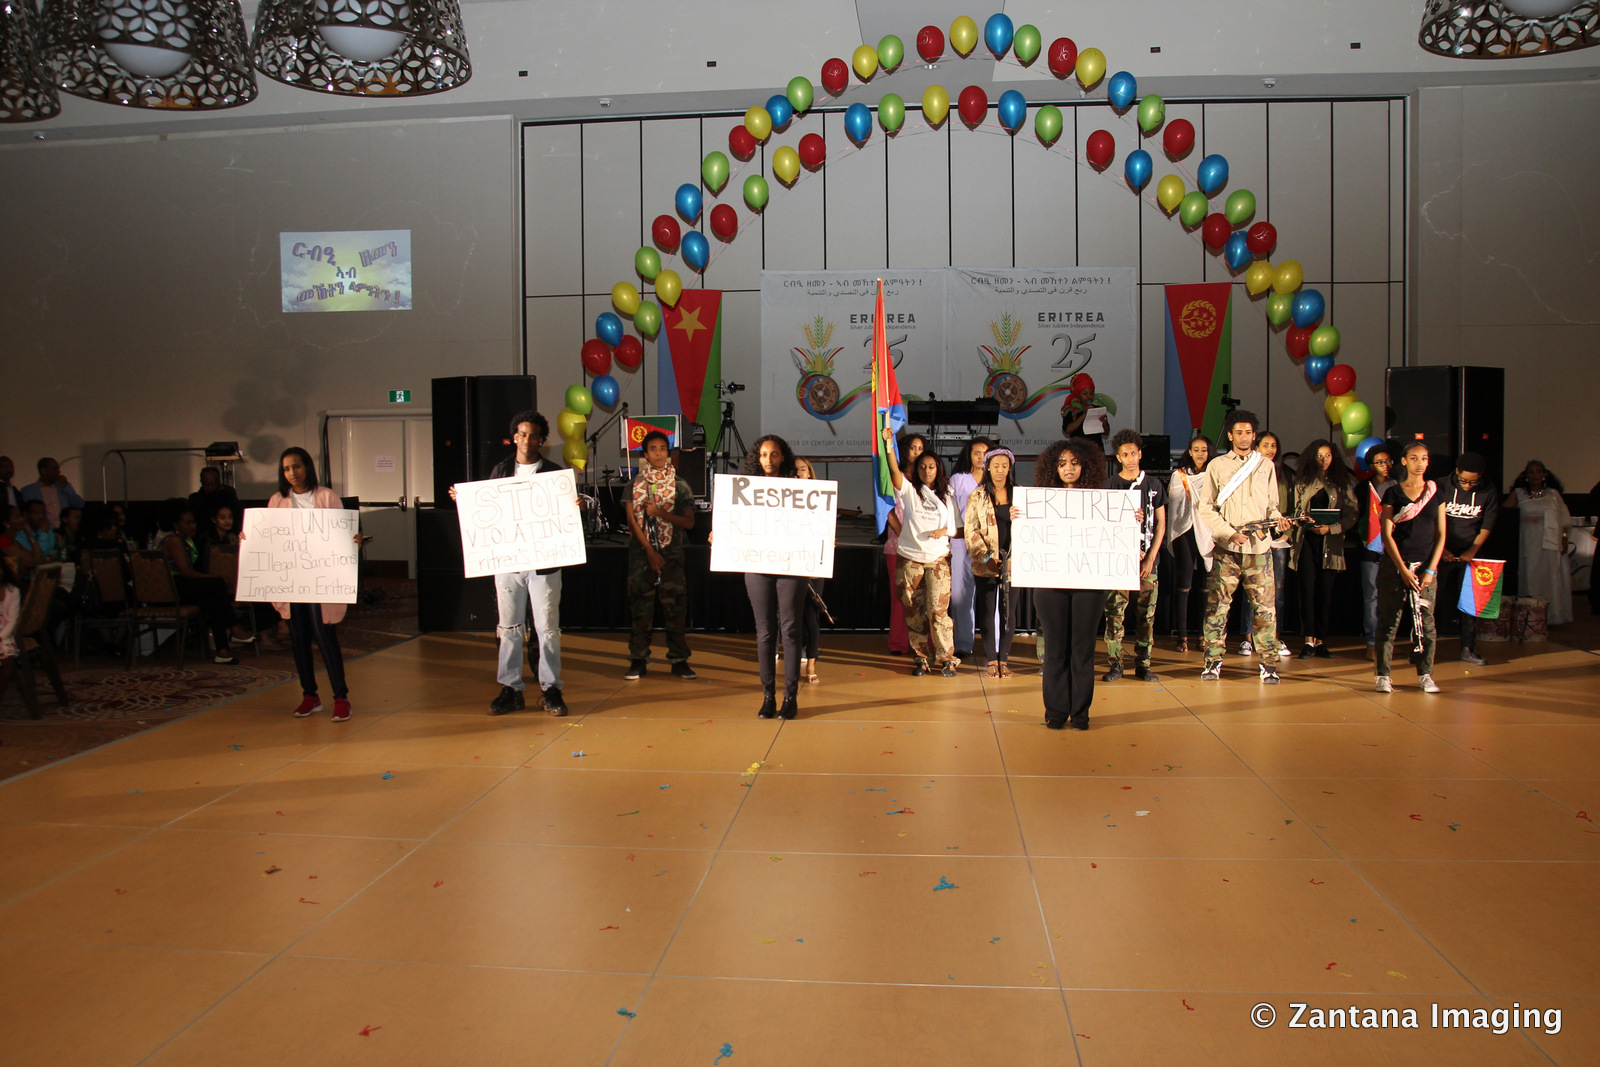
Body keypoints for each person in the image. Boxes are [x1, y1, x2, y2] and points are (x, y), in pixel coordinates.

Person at [451, 411, 577, 714]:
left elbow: (565, 516)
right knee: (508, 628)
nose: (526, 440)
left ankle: (550, 689)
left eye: (533, 435)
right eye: (521, 434)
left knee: (547, 629)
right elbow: (486, 510)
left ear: (542, 440)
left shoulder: (554, 474)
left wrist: (575, 505)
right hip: (507, 561)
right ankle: (510, 688)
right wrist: (463, 499)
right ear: (514, 438)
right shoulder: (500, 470)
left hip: (544, 564)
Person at [260, 447, 360, 722]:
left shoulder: (326, 496)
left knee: (324, 635)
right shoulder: (277, 500)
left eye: (296, 466)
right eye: (286, 469)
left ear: (308, 467)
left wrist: (353, 539)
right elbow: (269, 538)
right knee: (298, 637)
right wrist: (251, 537)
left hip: (321, 578)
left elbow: (343, 534)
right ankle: (309, 695)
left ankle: (341, 697)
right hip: (292, 577)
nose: (292, 473)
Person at [1197, 410, 1289, 683]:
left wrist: (1278, 521)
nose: (1244, 437)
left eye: (1248, 432)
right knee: (1217, 607)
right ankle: (1212, 661)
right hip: (1227, 549)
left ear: (1254, 435)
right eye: (1239, 432)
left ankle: (1269, 664)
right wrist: (1228, 532)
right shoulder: (1217, 466)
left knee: (1265, 609)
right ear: (1230, 435)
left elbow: (1272, 506)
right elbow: (1206, 507)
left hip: (1259, 549)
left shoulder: (1266, 466)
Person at [1033, 439, 1110, 729]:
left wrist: (1130, 520)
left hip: (1089, 583)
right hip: (1050, 581)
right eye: (1062, 463)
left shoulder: (1102, 501)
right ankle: (1055, 712)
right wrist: (1021, 517)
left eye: (1075, 463)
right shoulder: (1037, 501)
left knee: (1082, 650)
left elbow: (1114, 535)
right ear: (1053, 467)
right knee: (1055, 649)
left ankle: (1080, 714)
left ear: (1085, 466)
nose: (1068, 468)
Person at [739, 435, 808, 718]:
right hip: (756, 565)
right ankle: (768, 696)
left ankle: (790, 698)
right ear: (757, 458)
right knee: (765, 633)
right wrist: (719, 535)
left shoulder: (798, 489)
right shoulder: (743, 492)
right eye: (764, 455)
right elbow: (735, 525)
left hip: (791, 565)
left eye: (774, 454)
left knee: (790, 631)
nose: (768, 460)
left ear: (783, 457)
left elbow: (811, 524)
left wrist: (825, 538)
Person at [623, 430, 697, 684]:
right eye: (653, 449)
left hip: (672, 556)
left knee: (675, 608)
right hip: (641, 556)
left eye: (662, 448)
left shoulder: (680, 484)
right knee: (640, 609)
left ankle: (679, 660)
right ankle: (638, 659)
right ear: (645, 454)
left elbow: (688, 522)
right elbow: (632, 520)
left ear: (669, 453)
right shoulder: (634, 485)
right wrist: (649, 551)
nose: (658, 453)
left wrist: (660, 513)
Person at [882, 425, 956, 678]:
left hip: (937, 560)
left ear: (938, 469)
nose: (926, 470)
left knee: (938, 610)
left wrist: (943, 530)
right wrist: (889, 445)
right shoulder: (910, 491)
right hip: (910, 560)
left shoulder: (948, 495)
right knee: (913, 610)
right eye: (922, 466)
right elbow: (893, 469)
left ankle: (946, 658)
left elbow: (957, 529)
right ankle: (922, 658)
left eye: (931, 466)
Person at [1376, 441, 1448, 693]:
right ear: (1404, 461)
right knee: (1389, 622)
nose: (1421, 464)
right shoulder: (1393, 494)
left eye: (1425, 458)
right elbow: (1387, 535)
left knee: (1426, 623)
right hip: (1395, 568)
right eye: (1415, 458)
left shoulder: (1436, 492)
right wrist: (1403, 570)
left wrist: (1429, 570)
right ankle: (1383, 675)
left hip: (1425, 569)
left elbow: (1441, 535)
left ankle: (1425, 674)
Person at [1103, 429, 1167, 683]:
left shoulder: (1153, 485)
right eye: (1124, 454)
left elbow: (1162, 523)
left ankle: (1144, 663)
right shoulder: (1110, 485)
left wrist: (1151, 557)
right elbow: (1103, 523)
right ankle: (1115, 664)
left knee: (1146, 616)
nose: (1130, 458)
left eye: (1133, 453)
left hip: (1147, 562)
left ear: (1140, 454)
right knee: (1115, 615)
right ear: (1117, 457)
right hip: (1119, 561)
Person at [1289, 439, 1357, 658]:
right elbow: (1295, 510)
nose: (1324, 460)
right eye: (1319, 455)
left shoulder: (1342, 483)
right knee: (1307, 592)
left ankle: (1321, 641)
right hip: (1307, 541)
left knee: (1325, 594)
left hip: (1330, 543)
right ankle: (1308, 640)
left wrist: (1332, 528)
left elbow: (1352, 513)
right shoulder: (1302, 481)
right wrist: (1301, 517)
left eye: (1328, 455)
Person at [964, 446, 1022, 679]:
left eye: (1004, 466)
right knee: (987, 612)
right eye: (995, 466)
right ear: (988, 467)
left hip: (1014, 564)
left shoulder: (1020, 494)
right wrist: (988, 558)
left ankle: (1004, 659)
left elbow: (1031, 530)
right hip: (987, 563)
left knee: (1009, 613)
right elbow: (970, 530)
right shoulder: (977, 495)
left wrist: (1012, 560)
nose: (1000, 471)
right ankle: (991, 659)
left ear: (1010, 467)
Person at [1438, 453, 1500, 664]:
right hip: (1441, 550)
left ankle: (1468, 648)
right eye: (1464, 481)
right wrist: (1442, 549)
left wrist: (1473, 550)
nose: (1467, 486)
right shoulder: (1441, 486)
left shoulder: (1488, 490)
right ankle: (1423, 648)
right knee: (1433, 600)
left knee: (1469, 603)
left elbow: (1487, 524)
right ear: (1456, 472)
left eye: (1473, 482)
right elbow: (1430, 520)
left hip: (1470, 552)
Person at [160, 505, 241, 665]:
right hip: (172, 588)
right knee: (217, 583)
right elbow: (185, 572)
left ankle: (222, 651)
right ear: (176, 525)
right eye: (187, 523)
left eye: (193, 523)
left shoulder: (187, 541)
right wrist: (215, 576)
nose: (192, 526)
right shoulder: (174, 541)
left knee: (214, 602)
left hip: (185, 586)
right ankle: (234, 626)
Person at [1505, 460, 1573, 626]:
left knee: (1550, 577)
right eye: (1531, 472)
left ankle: (1551, 617)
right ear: (1526, 476)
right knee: (1529, 575)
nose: (1535, 475)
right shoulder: (1519, 493)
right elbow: (1505, 515)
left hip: (1549, 545)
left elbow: (1564, 520)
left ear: (1544, 475)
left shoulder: (1553, 494)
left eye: (1538, 471)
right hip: (1527, 543)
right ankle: (1528, 617)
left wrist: (1564, 539)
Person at [1165, 436, 1213, 653]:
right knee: (1184, 584)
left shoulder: (1215, 474)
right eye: (1196, 449)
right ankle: (1182, 636)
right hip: (1184, 530)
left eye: (1204, 450)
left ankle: (1202, 635)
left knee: (1205, 586)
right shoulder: (1179, 475)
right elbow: (1173, 503)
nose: (1200, 453)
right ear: (1190, 452)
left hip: (1208, 531)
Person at [882, 433, 927, 656]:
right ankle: (899, 643)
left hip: (923, 548)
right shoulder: (894, 477)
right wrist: (904, 533)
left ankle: (922, 644)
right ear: (904, 451)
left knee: (922, 598)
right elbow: (888, 511)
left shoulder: (928, 478)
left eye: (920, 448)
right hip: (898, 545)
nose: (917, 452)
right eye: (912, 448)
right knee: (900, 597)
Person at [947, 438, 991, 661]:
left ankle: (995, 645)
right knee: (961, 595)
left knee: (990, 595)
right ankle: (963, 642)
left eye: (986, 452)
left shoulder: (997, 480)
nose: (981, 456)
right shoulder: (958, 479)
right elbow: (950, 510)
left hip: (989, 547)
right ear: (969, 455)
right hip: (961, 543)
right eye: (977, 452)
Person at [1353, 443, 1397, 660]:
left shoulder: (1399, 486)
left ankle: (1387, 641)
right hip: (1370, 547)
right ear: (1371, 465)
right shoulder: (1363, 488)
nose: (1385, 466)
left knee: (1392, 598)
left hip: (1395, 549)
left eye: (1388, 461)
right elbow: (1356, 516)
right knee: (1371, 597)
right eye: (1380, 462)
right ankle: (1371, 642)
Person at [794, 457, 825, 683]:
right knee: (790, 618)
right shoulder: (778, 499)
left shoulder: (822, 499)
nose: (798, 474)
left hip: (815, 565)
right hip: (788, 565)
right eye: (794, 470)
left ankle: (811, 666)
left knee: (811, 617)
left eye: (802, 470)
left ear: (810, 473)